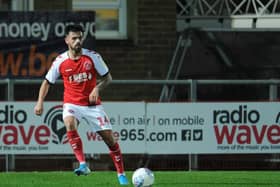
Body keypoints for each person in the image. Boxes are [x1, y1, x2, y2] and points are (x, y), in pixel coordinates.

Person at [34, 24, 128, 185]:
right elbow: (47, 82)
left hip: (92, 105)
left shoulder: (92, 57)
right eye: (74, 38)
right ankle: (83, 164)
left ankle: (121, 174)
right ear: (67, 40)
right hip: (72, 103)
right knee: (69, 123)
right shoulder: (60, 61)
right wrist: (39, 103)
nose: (78, 41)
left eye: (80, 38)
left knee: (109, 139)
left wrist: (97, 89)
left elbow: (108, 78)